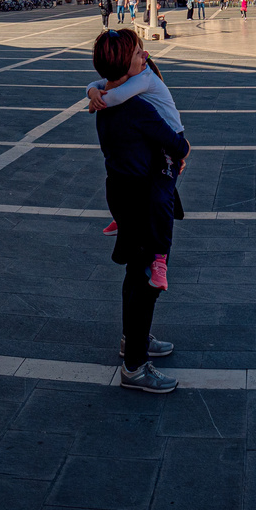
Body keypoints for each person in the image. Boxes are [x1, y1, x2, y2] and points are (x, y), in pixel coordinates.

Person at [90, 29, 188, 393]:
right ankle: (134, 365)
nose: (143, 57)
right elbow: (178, 143)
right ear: (124, 63)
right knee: (147, 276)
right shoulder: (137, 108)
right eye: (136, 53)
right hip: (144, 199)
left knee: (135, 270)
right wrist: (183, 148)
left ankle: (134, 339)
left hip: (121, 192)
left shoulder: (105, 103)